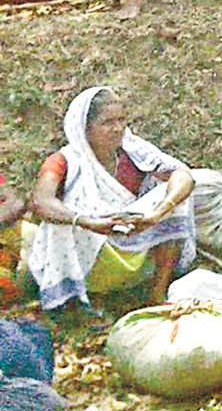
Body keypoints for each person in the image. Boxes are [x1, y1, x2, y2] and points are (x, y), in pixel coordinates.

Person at [27, 87, 198, 310]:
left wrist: (156, 214)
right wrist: (89, 222)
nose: (118, 128)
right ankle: (73, 302)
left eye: (121, 120)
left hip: (133, 237)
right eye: (107, 122)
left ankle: (157, 293)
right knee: (61, 221)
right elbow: (41, 201)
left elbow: (183, 176)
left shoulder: (133, 150)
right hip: (90, 251)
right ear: (85, 128)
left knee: (175, 198)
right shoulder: (64, 160)